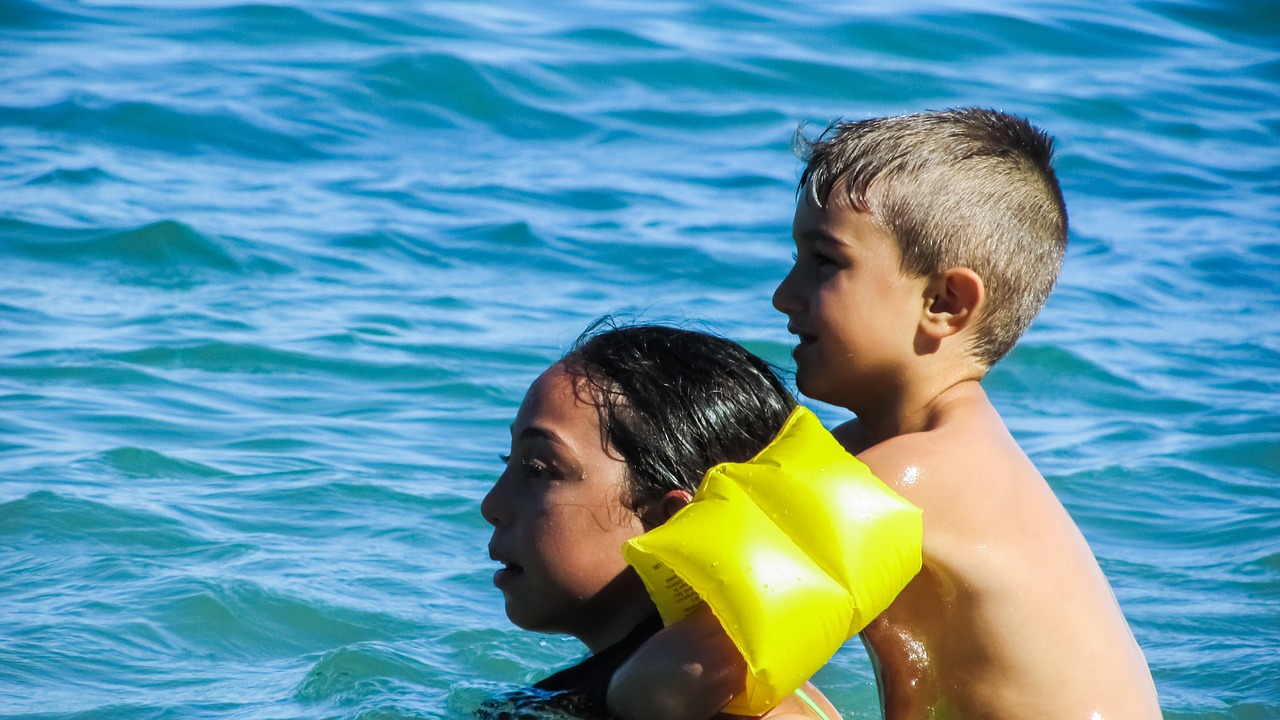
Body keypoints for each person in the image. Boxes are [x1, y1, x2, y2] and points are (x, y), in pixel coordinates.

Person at [607, 108, 1162, 719]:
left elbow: (674, 680)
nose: (782, 295)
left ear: (945, 303)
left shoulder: (912, 479)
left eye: (825, 262)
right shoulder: (898, 458)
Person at [479, 321, 843, 720]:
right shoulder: (735, 684)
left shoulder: (693, 698)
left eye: (538, 468)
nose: (491, 504)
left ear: (670, 521)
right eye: (507, 461)